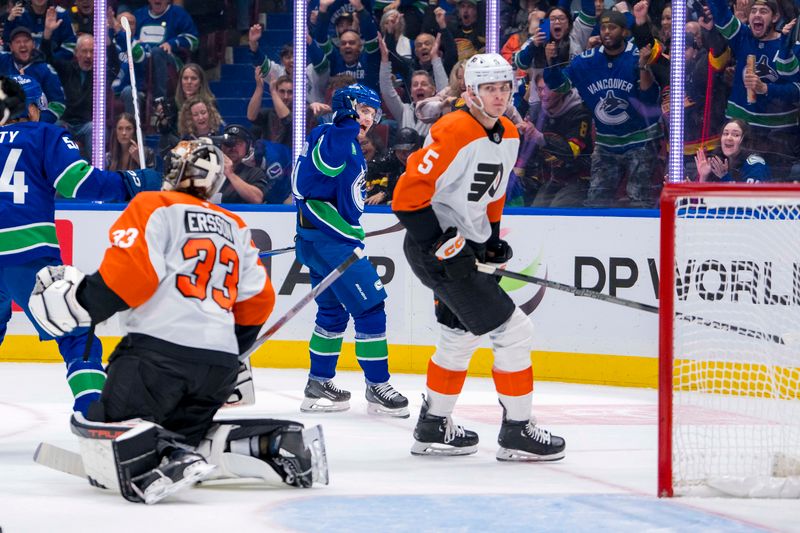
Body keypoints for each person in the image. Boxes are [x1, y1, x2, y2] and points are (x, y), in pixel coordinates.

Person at [28, 139, 327, 504]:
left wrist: (78, 303)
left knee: (108, 426)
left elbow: (129, 280)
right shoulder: (234, 224)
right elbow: (258, 302)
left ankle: (171, 456)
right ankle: (270, 444)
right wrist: (231, 353)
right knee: (185, 432)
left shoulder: (152, 204)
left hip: (155, 359)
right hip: (217, 371)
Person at [392, 53, 566, 460]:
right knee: (515, 332)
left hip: (464, 247)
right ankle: (517, 431)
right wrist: (439, 244)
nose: (499, 95)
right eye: (489, 88)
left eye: (505, 87)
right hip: (433, 246)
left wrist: (487, 240)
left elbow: (493, 192)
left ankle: (433, 426)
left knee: (458, 336)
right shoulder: (452, 128)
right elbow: (406, 198)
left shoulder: (508, 132)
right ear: (470, 91)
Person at [0, 75, 159, 415]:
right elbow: (78, 182)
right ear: (28, 109)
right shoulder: (44, 134)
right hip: (26, 253)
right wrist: (132, 182)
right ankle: (94, 414)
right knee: (76, 329)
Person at [292, 83, 409, 418]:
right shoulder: (334, 136)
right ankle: (377, 384)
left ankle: (319, 382)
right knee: (371, 307)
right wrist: (345, 119)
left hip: (321, 240)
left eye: (372, 113)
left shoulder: (339, 138)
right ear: (351, 107)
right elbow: (324, 168)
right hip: (332, 244)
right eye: (366, 110)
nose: (370, 119)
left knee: (332, 313)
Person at [544, 9, 663, 207]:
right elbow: (560, 86)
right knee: (597, 201)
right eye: (603, 27)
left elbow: (649, 101)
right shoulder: (586, 61)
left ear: (624, 32)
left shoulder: (636, 55)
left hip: (641, 140)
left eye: (612, 27)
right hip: (606, 142)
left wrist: (643, 67)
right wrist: (551, 63)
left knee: (639, 201)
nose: (607, 32)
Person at [694, 119, 771, 182]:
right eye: (725, 133)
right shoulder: (718, 163)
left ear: (745, 140)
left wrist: (724, 177)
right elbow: (704, 199)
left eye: (735, 135)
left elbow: (748, 199)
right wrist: (703, 176)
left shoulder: (756, 166)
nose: (728, 138)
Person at [218, 124, 269, 204]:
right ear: (221, 146)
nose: (233, 148)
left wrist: (230, 174)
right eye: (228, 143)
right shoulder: (210, 169)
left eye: (238, 143)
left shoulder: (254, 173)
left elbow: (257, 198)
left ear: (247, 148)